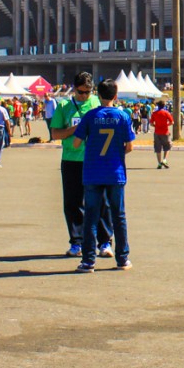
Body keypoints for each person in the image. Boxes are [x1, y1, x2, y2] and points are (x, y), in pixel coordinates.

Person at [72, 79, 135, 272]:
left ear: (98, 95)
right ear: (115, 96)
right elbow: (129, 146)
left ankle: (88, 261)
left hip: (92, 172)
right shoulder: (123, 116)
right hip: (115, 172)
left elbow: (76, 143)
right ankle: (122, 258)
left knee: (91, 216)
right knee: (119, 215)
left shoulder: (91, 116)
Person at [51, 72, 114, 259]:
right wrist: (75, 130)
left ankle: (104, 242)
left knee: (102, 202)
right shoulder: (64, 106)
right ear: (74, 88)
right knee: (73, 203)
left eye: (87, 92)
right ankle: (76, 242)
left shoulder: (98, 103)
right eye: (80, 92)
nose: (84, 96)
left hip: (96, 160)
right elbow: (55, 134)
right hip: (72, 160)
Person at [150, 100, 174, 169]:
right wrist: (166, 125)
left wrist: (156, 126)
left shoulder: (154, 113)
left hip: (157, 132)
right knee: (167, 146)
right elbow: (172, 122)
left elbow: (151, 123)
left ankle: (159, 163)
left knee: (158, 148)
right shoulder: (166, 113)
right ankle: (164, 159)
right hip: (165, 132)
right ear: (164, 106)